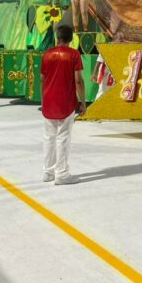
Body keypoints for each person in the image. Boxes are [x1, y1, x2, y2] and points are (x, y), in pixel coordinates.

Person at [40, 25, 86, 185]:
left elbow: (42, 79)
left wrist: (43, 99)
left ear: (57, 37)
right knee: (63, 138)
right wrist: (83, 102)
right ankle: (62, 174)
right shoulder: (74, 54)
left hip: (48, 101)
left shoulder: (47, 54)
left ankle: (48, 171)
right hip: (66, 102)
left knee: (49, 138)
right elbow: (78, 80)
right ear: (71, 38)